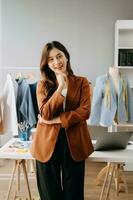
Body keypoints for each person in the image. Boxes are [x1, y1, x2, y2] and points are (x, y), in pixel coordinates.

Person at [30, 41, 94, 200]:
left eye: (59, 56)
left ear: (66, 57)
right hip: (46, 145)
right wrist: (60, 87)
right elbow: (45, 114)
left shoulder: (82, 82)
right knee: (49, 194)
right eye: (51, 59)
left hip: (74, 143)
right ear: (46, 63)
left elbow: (85, 112)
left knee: (74, 194)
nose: (56, 62)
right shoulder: (43, 85)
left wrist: (55, 120)